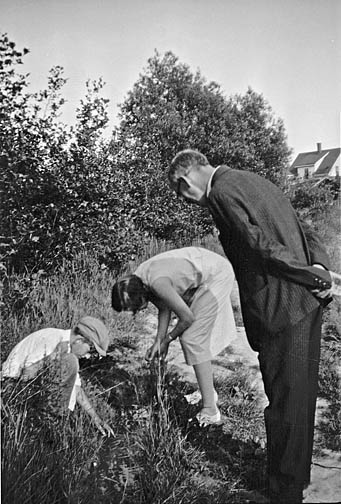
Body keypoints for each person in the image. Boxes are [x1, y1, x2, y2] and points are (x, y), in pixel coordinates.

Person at [168, 149, 333, 503]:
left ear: (185, 180)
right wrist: (318, 268)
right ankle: (296, 480)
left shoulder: (221, 194)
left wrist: (307, 274)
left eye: (182, 194)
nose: (188, 202)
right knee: (300, 397)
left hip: (281, 309)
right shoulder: (255, 179)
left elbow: (259, 246)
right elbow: (303, 225)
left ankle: (285, 493)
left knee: (285, 401)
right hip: (307, 303)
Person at [111, 246, 236, 426]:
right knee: (193, 338)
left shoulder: (156, 283)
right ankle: (207, 390)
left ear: (140, 297)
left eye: (134, 308)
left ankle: (211, 410)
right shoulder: (139, 280)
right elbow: (164, 307)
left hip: (216, 274)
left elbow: (187, 318)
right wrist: (158, 341)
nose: (136, 312)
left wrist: (168, 339)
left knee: (192, 338)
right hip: (206, 267)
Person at [1, 316, 114, 436]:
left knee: (70, 362)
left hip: (26, 394)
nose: (87, 356)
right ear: (79, 340)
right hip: (11, 389)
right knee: (70, 361)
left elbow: (77, 389)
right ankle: (45, 427)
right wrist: (53, 356)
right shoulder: (52, 338)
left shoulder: (68, 350)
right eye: (90, 350)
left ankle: (49, 426)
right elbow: (26, 376)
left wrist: (95, 418)